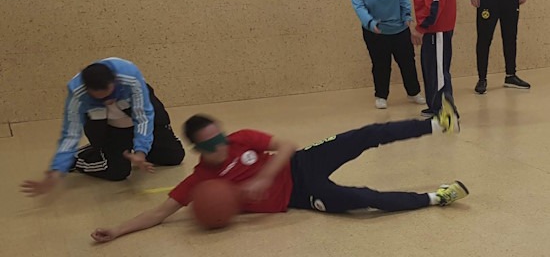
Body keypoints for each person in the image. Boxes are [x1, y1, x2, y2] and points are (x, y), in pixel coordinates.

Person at [90, 98, 468, 243]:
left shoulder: (241, 139)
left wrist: (264, 176)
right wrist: (118, 229)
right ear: (198, 149)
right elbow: (160, 213)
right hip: (299, 197)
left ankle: (438, 123)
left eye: (219, 136)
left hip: (300, 163)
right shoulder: (200, 181)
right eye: (210, 144)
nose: (220, 145)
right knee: (360, 200)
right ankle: (436, 197)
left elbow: (286, 144)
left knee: (365, 134)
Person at [20, 57, 185, 196]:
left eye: (110, 95)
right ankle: (81, 157)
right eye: (100, 99)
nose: (109, 101)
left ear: (115, 81)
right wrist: (57, 170)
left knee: (174, 156)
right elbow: (70, 133)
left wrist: (141, 152)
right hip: (111, 128)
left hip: (134, 117)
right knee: (117, 172)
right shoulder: (77, 94)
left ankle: (135, 147)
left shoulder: (130, 77)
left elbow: (144, 117)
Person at [350, 0, 425, 109]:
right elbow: (360, 8)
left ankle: (414, 93)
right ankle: (381, 96)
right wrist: (370, 23)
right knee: (381, 65)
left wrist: (407, 16)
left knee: (407, 62)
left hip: (400, 29)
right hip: (376, 33)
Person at [405, 0, 457, 117]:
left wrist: (421, 27)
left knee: (439, 71)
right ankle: (436, 107)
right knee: (430, 68)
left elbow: (434, 1)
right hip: (430, 28)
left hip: (437, 28)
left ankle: (447, 113)